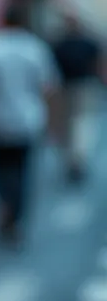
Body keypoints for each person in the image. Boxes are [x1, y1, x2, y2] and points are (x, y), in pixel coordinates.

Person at [0, 3, 59, 247]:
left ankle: (5, 206)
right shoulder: (34, 48)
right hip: (28, 120)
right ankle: (14, 214)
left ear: (3, 21)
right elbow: (48, 86)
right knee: (22, 171)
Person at [50, 11, 102, 184]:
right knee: (76, 126)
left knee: (80, 125)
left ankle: (77, 159)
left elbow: (99, 66)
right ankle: (75, 159)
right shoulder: (61, 44)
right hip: (69, 88)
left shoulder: (67, 43)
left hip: (81, 87)